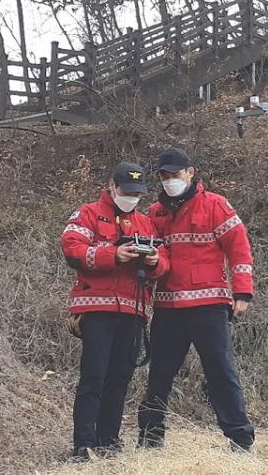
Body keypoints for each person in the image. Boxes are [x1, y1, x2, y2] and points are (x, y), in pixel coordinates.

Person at [138, 147, 255, 451]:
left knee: (221, 372)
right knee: (159, 375)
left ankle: (241, 439)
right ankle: (150, 438)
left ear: (190, 173)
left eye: (175, 174)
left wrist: (242, 291)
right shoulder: (155, 213)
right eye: (164, 176)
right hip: (168, 308)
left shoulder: (216, 205)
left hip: (209, 307)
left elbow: (239, 248)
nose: (169, 180)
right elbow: (156, 258)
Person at [61, 162, 169, 460]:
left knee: (120, 378)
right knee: (94, 376)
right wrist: (114, 254)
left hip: (133, 309)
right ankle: (83, 444)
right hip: (97, 308)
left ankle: (109, 440)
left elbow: (164, 262)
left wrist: (153, 262)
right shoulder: (87, 213)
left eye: (137, 194)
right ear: (112, 185)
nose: (132, 198)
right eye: (126, 191)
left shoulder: (145, 223)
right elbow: (72, 249)